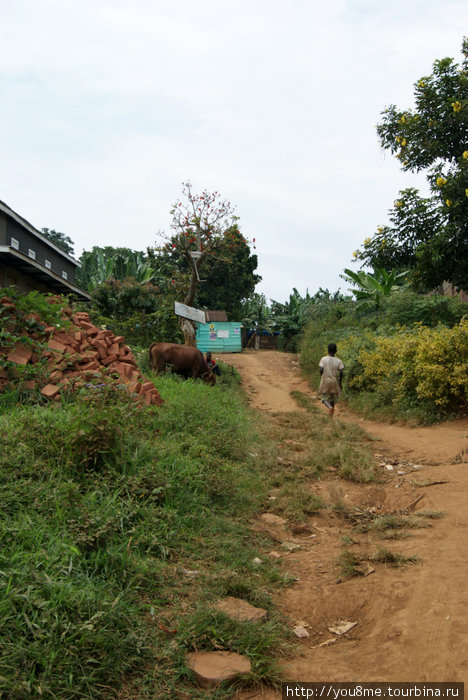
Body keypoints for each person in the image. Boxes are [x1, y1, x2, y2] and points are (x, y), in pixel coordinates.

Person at [318, 343, 344, 417]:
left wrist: (322, 376)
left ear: (328, 350)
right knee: (332, 399)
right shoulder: (339, 361)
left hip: (325, 380)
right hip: (334, 381)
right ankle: (331, 416)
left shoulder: (324, 359)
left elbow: (321, 369)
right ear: (336, 351)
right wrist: (340, 383)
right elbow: (341, 372)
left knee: (324, 399)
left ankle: (329, 407)